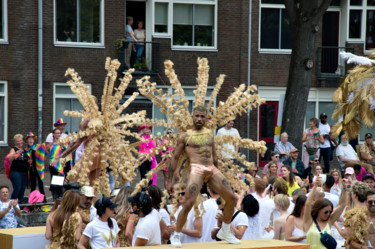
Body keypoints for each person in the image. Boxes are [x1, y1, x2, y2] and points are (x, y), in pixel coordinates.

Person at [168, 106, 240, 247]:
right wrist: (168, 179)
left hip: (211, 169)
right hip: (196, 169)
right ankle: (176, 235)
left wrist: (218, 172)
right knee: (188, 203)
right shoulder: (185, 135)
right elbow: (175, 157)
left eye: (202, 116)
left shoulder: (209, 133)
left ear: (206, 118)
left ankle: (225, 230)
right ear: (192, 117)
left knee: (232, 198)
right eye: (197, 116)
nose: (199, 119)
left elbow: (214, 155)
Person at [303, 176, 348, 249]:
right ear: (318, 210)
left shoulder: (329, 221)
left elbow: (342, 205)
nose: (328, 214)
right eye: (326, 212)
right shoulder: (309, 221)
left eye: (330, 212)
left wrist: (345, 188)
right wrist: (315, 186)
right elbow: (307, 204)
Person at [7, 134, 29, 201]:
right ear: (15, 142)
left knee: (22, 189)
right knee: (17, 189)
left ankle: (19, 205)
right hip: (16, 173)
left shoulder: (24, 149)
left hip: (24, 173)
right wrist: (15, 153)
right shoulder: (13, 149)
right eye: (17, 141)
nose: (19, 142)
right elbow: (9, 159)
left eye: (20, 140)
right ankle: (11, 205)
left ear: (23, 141)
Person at [25, 132, 46, 201]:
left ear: (34, 140)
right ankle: (31, 201)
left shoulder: (38, 146)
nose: (30, 140)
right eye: (29, 139)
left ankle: (44, 201)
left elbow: (45, 153)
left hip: (39, 169)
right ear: (27, 141)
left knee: (41, 186)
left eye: (32, 139)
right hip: (31, 169)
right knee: (32, 186)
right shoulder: (26, 150)